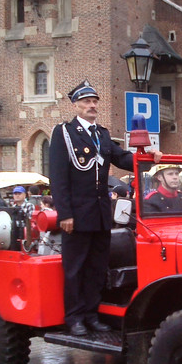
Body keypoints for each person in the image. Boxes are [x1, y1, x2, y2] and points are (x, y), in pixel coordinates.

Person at [49, 79, 161, 337]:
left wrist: (145, 157)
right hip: (75, 215)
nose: (92, 105)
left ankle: (91, 314)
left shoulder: (102, 134)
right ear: (76, 105)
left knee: (97, 267)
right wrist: (64, 214)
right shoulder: (64, 133)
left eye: (95, 101)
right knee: (75, 268)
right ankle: (75, 317)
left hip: (100, 214)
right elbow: (58, 177)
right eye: (87, 101)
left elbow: (120, 157)